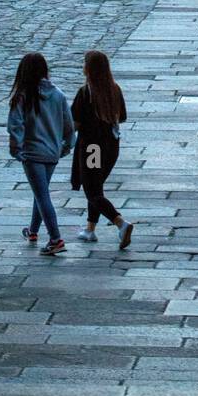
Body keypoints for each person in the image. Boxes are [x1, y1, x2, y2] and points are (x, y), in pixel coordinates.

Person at [7, 53, 74, 255]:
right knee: (41, 192)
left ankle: (56, 239)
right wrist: (65, 147)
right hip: (52, 153)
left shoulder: (22, 96)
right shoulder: (58, 95)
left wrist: (16, 148)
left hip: (32, 153)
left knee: (42, 195)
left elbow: (15, 125)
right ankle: (33, 231)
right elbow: (69, 126)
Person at [70, 50, 133, 250]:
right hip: (111, 147)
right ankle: (90, 229)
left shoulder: (86, 92)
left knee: (92, 190)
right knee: (96, 185)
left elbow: (75, 122)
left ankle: (120, 223)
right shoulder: (115, 89)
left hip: (92, 149)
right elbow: (122, 117)